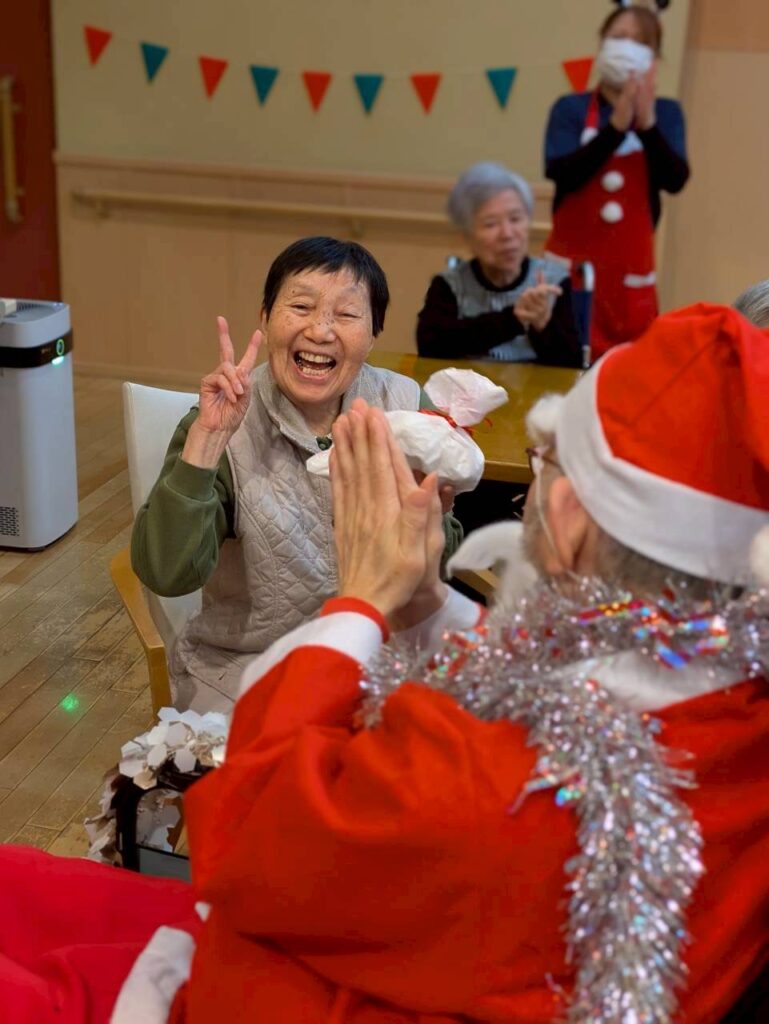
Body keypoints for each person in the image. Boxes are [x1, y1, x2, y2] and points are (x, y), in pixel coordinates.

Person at [1, 303, 768, 1023]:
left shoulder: (484, 784)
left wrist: (360, 596)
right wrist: (422, 601)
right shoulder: (730, 703)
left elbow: (247, 836)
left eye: (543, 461)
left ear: (568, 521)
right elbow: (560, 678)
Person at [131, 236, 462, 712]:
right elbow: (167, 573)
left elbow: (441, 566)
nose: (321, 330)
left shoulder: (408, 408)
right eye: (301, 307)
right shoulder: (221, 424)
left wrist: (428, 520)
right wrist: (207, 440)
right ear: (266, 317)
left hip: (381, 667)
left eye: (346, 315)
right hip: (251, 670)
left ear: (373, 335)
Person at [544, 1, 689, 358]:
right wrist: (616, 126)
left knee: (627, 368)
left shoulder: (667, 113)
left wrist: (647, 123)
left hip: (630, 281)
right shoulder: (570, 108)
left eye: (639, 40)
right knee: (561, 360)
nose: (626, 46)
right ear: (602, 43)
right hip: (570, 272)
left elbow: (675, 179)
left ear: (653, 57)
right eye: (618, 36)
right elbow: (562, 172)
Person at [416, 162, 582, 366]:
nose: (507, 234)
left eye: (515, 219)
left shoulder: (553, 281)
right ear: (466, 236)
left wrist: (543, 323)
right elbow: (429, 347)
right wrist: (513, 319)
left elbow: (572, 365)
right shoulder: (450, 284)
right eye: (491, 224)